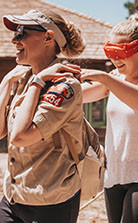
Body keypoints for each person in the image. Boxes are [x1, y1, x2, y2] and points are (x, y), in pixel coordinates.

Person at [78, 14, 138, 223]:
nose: (115, 59)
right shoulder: (114, 81)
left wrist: (104, 77)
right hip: (115, 176)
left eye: (121, 53)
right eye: (110, 52)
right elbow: (79, 96)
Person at [0, 9, 85, 222]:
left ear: (48, 37)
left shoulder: (65, 85)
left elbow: (20, 136)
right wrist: (5, 83)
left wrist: (37, 82)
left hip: (50, 200)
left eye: (21, 33)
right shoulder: (22, 80)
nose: (14, 40)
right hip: (14, 197)